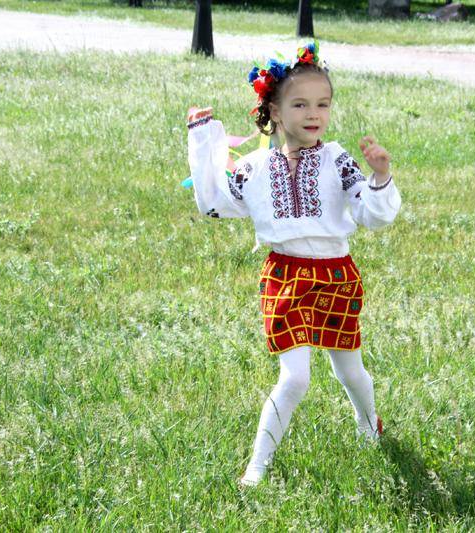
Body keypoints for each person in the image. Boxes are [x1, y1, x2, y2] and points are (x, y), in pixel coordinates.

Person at [185, 41, 402, 488]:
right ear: (275, 112)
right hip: (285, 278)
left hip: (337, 276)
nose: (313, 113)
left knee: (350, 370)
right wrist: (203, 138)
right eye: (300, 104)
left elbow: (371, 214)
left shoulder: (338, 160)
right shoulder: (254, 169)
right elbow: (214, 204)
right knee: (295, 377)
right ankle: (257, 466)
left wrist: (380, 176)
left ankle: (369, 425)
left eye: (322, 104)